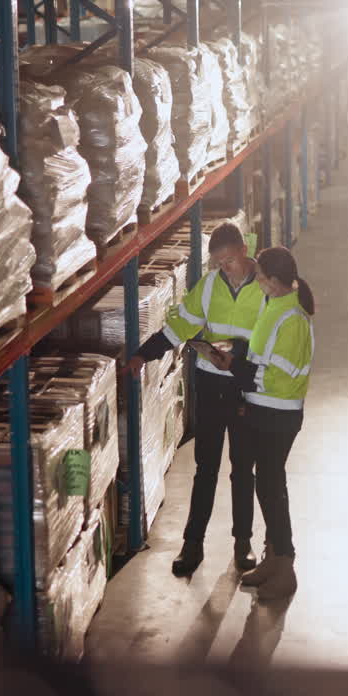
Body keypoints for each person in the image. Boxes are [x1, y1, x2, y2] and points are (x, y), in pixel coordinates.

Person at [127, 223, 265, 577]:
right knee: (205, 469)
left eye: (229, 261)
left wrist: (238, 351)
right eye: (218, 263)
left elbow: (273, 341)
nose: (224, 269)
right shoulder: (208, 287)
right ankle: (193, 544)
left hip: (246, 387)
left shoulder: (265, 290)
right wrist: (145, 355)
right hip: (210, 385)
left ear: (244, 252)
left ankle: (242, 543)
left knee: (243, 470)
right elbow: (180, 327)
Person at [210, 246, 316, 600]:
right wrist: (239, 355)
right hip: (263, 411)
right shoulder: (275, 309)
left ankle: (285, 565)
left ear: (273, 280)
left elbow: (279, 378)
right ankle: (276, 559)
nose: (257, 281)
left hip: (279, 414)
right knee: (268, 485)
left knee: (271, 486)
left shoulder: (293, 320)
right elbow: (261, 355)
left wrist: (236, 369)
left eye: (261, 277)